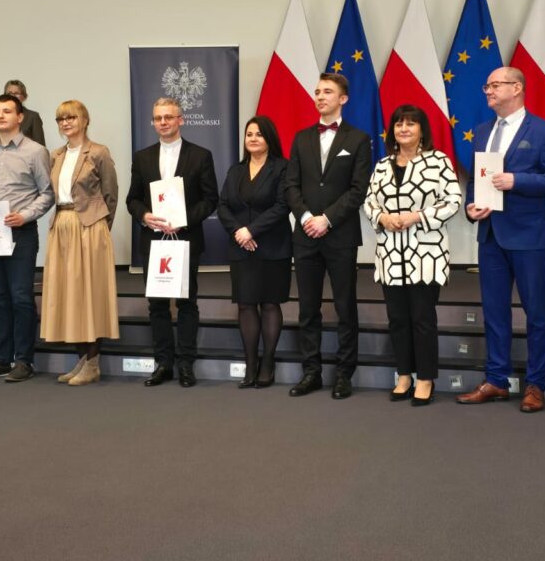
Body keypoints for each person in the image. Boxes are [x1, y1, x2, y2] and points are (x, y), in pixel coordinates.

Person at [458, 66, 545, 412]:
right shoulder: (482, 131)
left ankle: (536, 385)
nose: (488, 91)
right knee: (494, 311)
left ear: (516, 88)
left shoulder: (544, 131)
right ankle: (496, 379)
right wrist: (470, 206)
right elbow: (477, 179)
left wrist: (516, 180)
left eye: (495, 85)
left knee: (537, 314)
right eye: (487, 86)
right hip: (490, 234)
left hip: (530, 234)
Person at [363, 105, 461, 406]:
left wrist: (417, 216)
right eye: (398, 124)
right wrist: (382, 217)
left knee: (422, 318)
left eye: (410, 124)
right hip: (390, 255)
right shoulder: (382, 165)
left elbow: (453, 201)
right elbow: (369, 202)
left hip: (425, 254)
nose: (403, 129)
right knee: (397, 319)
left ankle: (426, 378)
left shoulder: (438, 161)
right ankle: (404, 375)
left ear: (422, 130)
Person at [285, 73, 371, 400]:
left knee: (345, 305)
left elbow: (358, 190)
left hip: (340, 236)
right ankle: (311, 372)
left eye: (328, 92)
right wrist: (307, 217)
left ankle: (344, 373)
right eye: (317, 92)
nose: (320, 96)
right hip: (305, 235)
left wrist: (327, 219)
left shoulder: (358, 139)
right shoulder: (301, 138)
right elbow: (291, 185)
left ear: (343, 98)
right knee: (308, 308)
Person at [126, 97, 218, 388]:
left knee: (187, 303)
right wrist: (145, 216)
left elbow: (211, 199)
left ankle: (186, 364)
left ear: (181, 120)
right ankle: (164, 363)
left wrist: (184, 220)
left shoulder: (200, 155)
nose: (163, 122)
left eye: (168, 117)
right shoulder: (142, 157)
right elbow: (132, 199)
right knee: (157, 305)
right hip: (153, 241)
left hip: (185, 238)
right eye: (158, 118)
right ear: (153, 122)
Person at [0, 93, 54, 382]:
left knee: (21, 297)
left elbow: (47, 194)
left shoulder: (36, 151)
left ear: (20, 117)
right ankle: (0, 359)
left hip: (21, 232)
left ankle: (24, 361)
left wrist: (25, 215)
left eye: (7, 111)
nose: (1, 116)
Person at [40, 100, 120, 386]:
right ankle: (83, 361)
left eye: (71, 117)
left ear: (85, 120)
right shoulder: (56, 155)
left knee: (90, 294)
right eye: (61, 119)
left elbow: (111, 194)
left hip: (89, 228)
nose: (66, 123)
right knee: (69, 294)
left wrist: (99, 228)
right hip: (61, 225)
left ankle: (93, 363)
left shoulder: (98, 152)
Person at [217, 115, 292, 389]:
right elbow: (223, 205)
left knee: (270, 304)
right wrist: (239, 232)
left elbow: (283, 205)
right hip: (241, 247)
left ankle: (267, 364)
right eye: (249, 134)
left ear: (269, 138)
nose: (253, 138)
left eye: (259, 134)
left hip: (272, 246)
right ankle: (250, 365)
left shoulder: (282, 168)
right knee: (246, 304)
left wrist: (252, 231)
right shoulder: (235, 170)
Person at [0, 79, 46, 146]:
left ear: (25, 97)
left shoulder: (33, 116)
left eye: (16, 93)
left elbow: (40, 146)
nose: (13, 96)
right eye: (9, 93)